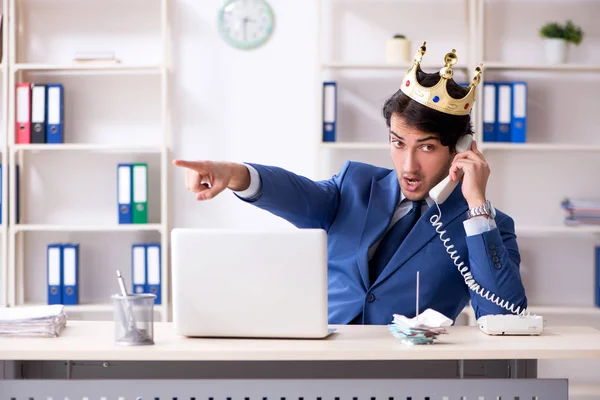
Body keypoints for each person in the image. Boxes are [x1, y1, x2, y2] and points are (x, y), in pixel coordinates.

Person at [173, 42, 528, 325]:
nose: (408, 164)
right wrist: (236, 174)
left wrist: (477, 205)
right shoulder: (355, 185)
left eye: (428, 147)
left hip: (409, 375)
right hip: (322, 362)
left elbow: (505, 316)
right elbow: (297, 194)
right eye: (398, 143)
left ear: (460, 150)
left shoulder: (486, 226)